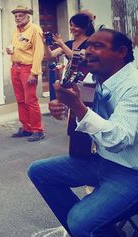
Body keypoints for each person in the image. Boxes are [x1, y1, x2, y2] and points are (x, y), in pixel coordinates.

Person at [28, 29, 138, 237]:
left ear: (121, 52)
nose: (88, 51)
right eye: (88, 46)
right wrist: (64, 107)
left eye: (97, 46)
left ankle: (90, 230)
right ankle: (99, 235)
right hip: (101, 160)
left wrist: (77, 108)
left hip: (131, 171)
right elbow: (86, 114)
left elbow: (119, 138)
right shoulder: (93, 78)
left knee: (81, 221)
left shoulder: (133, 86)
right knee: (39, 171)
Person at [44, 13, 95, 158]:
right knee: (72, 116)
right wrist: (45, 44)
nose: (71, 28)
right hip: (70, 81)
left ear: (84, 27)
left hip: (87, 82)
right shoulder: (69, 42)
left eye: (74, 25)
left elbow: (79, 57)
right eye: (71, 25)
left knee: (84, 111)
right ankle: (77, 151)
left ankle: (89, 148)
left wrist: (61, 44)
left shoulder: (90, 43)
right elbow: (49, 56)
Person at [6, 5, 45, 142]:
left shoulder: (35, 29)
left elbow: (39, 52)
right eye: (16, 16)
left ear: (28, 16)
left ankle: (37, 130)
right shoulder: (16, 30)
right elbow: (17, 47)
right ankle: (26, 128)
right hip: (15, 67)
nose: (17, 18)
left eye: (20, 15)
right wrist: (11, 51)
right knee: (20, 100)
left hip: (28, 68)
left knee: (30, 100)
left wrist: (34, 73)